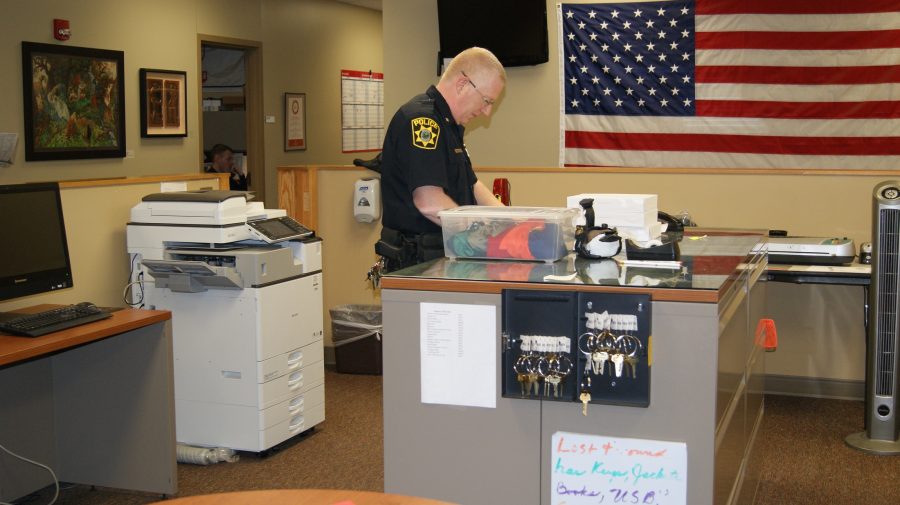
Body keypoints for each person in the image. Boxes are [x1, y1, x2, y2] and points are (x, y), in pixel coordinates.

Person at [377, 47, 507, 272]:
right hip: (418, 263)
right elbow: (429, 203)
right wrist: (478, 234)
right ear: (462, 84)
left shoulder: (449, 125)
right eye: (486, 101)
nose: (486, 112)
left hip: (442, 256)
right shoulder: (423, 122)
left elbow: (472, 185)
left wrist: (509, 220)